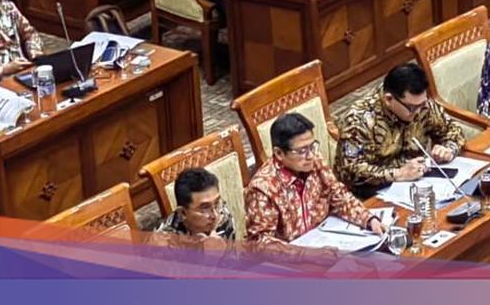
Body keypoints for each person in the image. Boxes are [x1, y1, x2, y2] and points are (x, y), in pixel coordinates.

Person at [245, 113, 384, 246]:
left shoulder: (315, 162)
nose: (311, 155)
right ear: (279, 153)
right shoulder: (263, 188)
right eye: (302, 151)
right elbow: (260, 242)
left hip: (325, 240)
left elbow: (339, 197)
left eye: (312, 147)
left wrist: (368, 219)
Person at [334, 63, 465, 191]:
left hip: (418, 182)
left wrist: (448, 149)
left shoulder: (421, 105)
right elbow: (350, 170)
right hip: (372, 192)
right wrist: (398, 174)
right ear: (389, 99)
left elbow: (452, 130)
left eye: (422, 105)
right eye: (412, 108)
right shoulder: (359, 119)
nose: (418, 112)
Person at [154, 167, 237, 241]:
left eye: (216, 203)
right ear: (183, 212)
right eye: (205, 208)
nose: (215, 215)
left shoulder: (223, 215)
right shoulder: (163, 241)